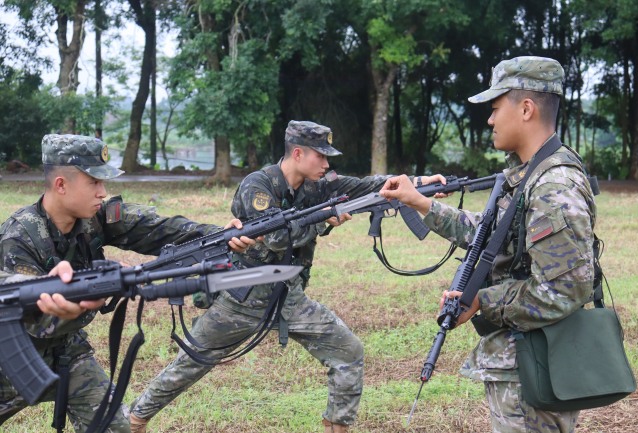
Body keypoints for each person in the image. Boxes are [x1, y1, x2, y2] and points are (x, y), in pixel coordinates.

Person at [129, 120, 428, 433]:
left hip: (288, 295)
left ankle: (338, 427)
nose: (327, 164)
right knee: (189, 364)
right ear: (297, 153)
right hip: (242, 296)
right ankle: (135, 420)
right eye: (320, 156)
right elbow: (274, 237)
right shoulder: (257, 186)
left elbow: (364, 186)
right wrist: (325, 219)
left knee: (348, 351)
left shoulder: (316, 184)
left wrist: (418, 185)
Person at [379, 56, 597, 433]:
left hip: (536, 371)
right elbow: (492, 234)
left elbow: (566, 288)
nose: (490, 119)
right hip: (525, 362)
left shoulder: (553, 186)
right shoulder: (529, 175)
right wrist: (421, 202)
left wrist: (484, 301)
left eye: (496, 108)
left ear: (526, 109)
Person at [0, 134, 256, 432]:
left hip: (66, 352)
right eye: (94, 182)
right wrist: (83, 303)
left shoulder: (93, 217)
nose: (103, 191)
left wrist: (219, 235)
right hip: (9, 363)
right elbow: (33, 321)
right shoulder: (18, 238)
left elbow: (154, 228)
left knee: (116, 426)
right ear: (61, 185)